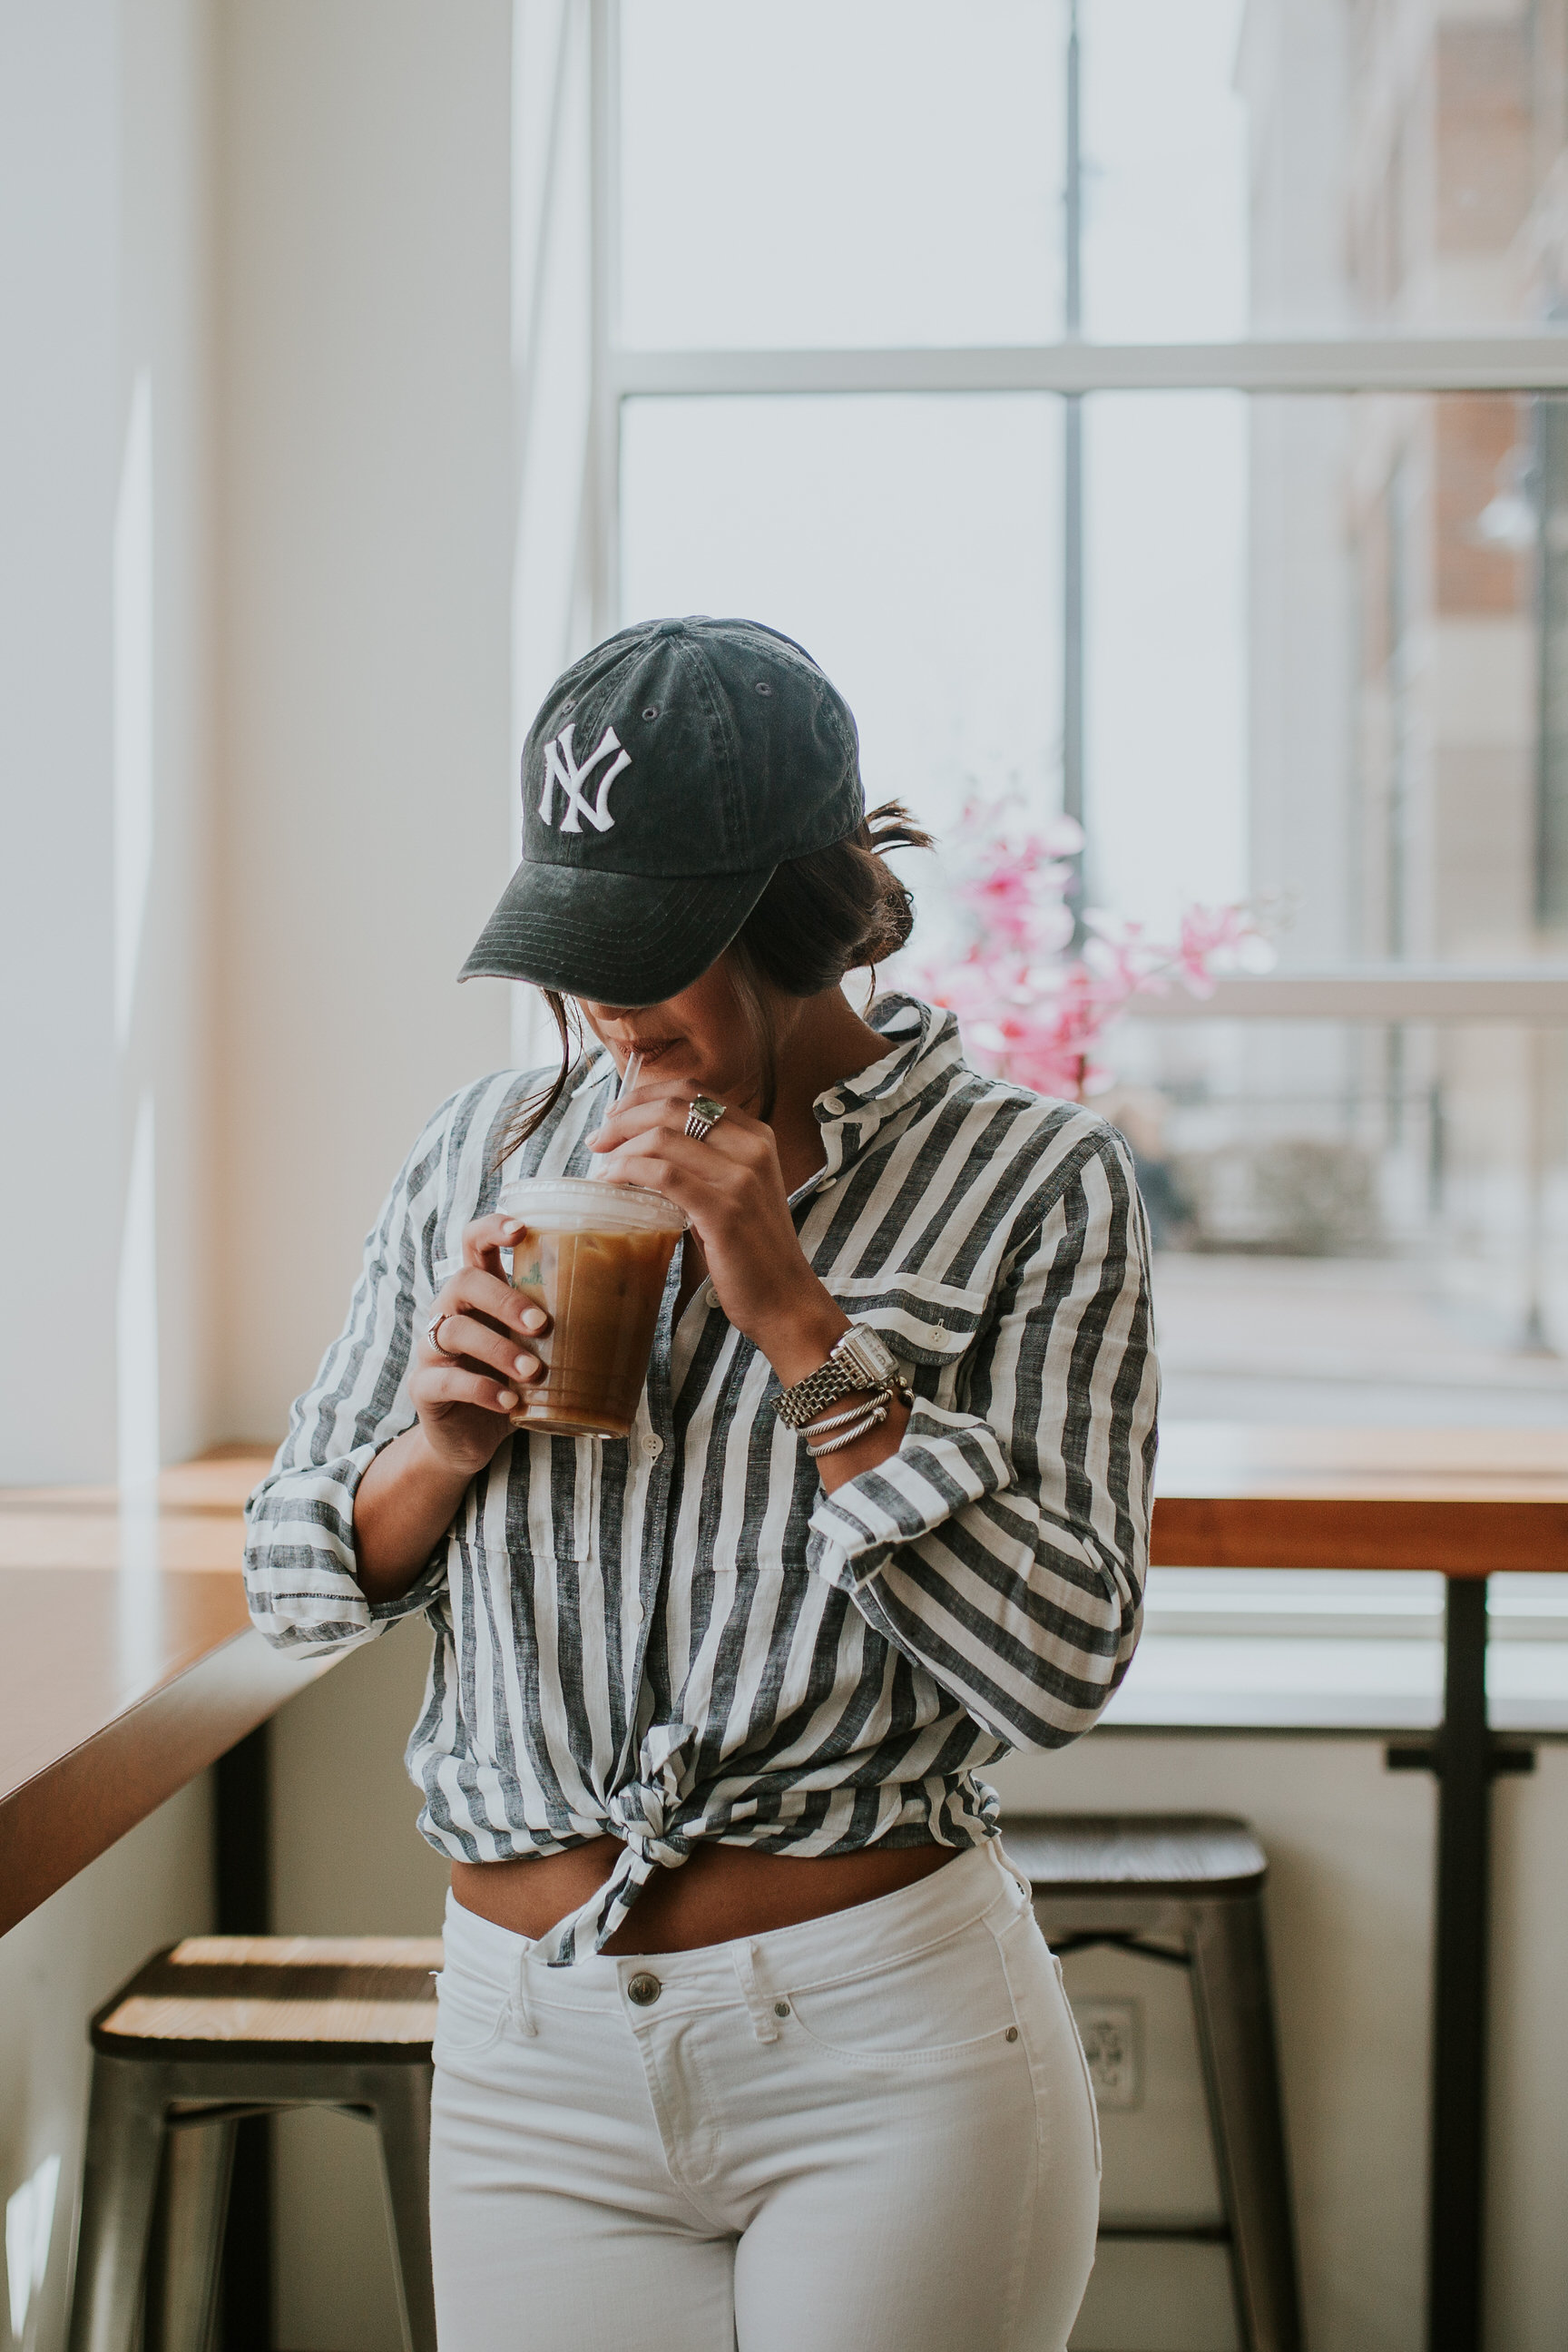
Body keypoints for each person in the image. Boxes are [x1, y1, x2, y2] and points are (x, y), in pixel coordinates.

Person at [244, 615, 1159, 2352]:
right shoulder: (484, 1151)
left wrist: (801, 1323)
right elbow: (293, 1587)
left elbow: (1062, 1665)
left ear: (804, 919)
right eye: (578, 949)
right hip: (529, 2044)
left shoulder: (1039, 1183)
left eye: (655, 948)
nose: (606, 1009)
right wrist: (435, 1449)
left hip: (884, 2052)